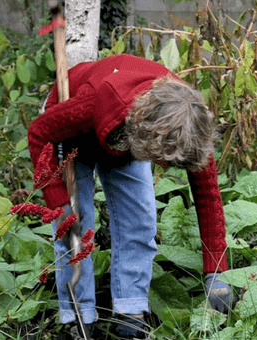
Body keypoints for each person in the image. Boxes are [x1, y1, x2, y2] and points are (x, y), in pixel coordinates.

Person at [27, 54, 231, 339]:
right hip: (75, 130)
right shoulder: (95, 104)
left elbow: (208, 196)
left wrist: (216, 272)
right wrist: (58, 201)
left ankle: (131, 315)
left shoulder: (188, 123)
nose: (163, 168)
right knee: (73, 229)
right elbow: (38, 133)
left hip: (128, 136)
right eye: (161, 161)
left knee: (140, 223)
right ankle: (77, 318)